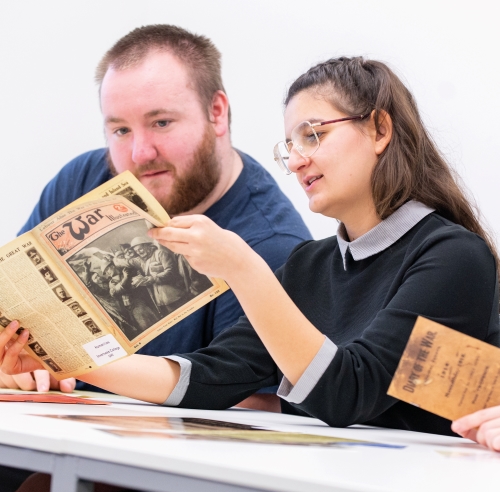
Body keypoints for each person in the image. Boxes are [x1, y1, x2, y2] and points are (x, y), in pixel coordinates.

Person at [3, 56, 498, 445]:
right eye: (289, 145)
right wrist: (61, 362)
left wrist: (244, 269)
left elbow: (348, 392)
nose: (297, 160)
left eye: (314, 134)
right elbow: (211, 377)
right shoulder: (313, 264)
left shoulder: (453, 257)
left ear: (379, 130)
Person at [0, 24, 310, 395]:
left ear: (217, 112)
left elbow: (249, 406)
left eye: (161, 123)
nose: (139, 154)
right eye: (120, 130)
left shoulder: (271, 247)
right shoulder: (83, 180)